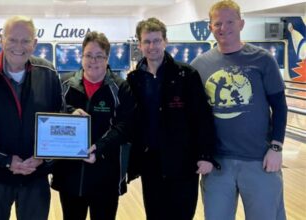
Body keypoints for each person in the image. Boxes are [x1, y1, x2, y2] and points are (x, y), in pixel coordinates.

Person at [190, 1, 288, 220]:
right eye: (218, 23)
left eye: (230, 21)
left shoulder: (263, 60)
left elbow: (280, 106)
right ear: (210, 28)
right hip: (217, 165)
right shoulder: (199, 65)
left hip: (259, 160)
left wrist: (276, 147)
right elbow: (194, 115)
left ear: (241, 23)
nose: (224, 28)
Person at [0, 15, 62, 220]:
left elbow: (57, 118)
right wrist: (5, 161)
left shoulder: (48, 72)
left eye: (25, 40)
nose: (19, 46)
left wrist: (42, 158)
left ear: (34, 43)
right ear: (2, 40)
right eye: (13, 39)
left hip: (35, 175)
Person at [127, 17, 217, 220]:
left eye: (157, 40)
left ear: (165, 42)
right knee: (155, 215)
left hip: (183, 161)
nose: (152, 46)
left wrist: (205, 154)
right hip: (151, 162)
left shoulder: (186, 74)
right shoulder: (135, 79)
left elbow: (202, 117)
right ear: (140, 44)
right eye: (147, 41)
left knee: (182, 214)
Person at [50, 31, 135, 220]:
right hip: (70, 177)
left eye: (99, 56)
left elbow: (125, 127)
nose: (93, 61)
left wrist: (99, 148)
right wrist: (69, 112)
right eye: (88, 55)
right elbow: (53, 116)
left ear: (107, 58)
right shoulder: (65, 84)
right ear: (81, 56)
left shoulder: (120, 87)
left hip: (106, 176)